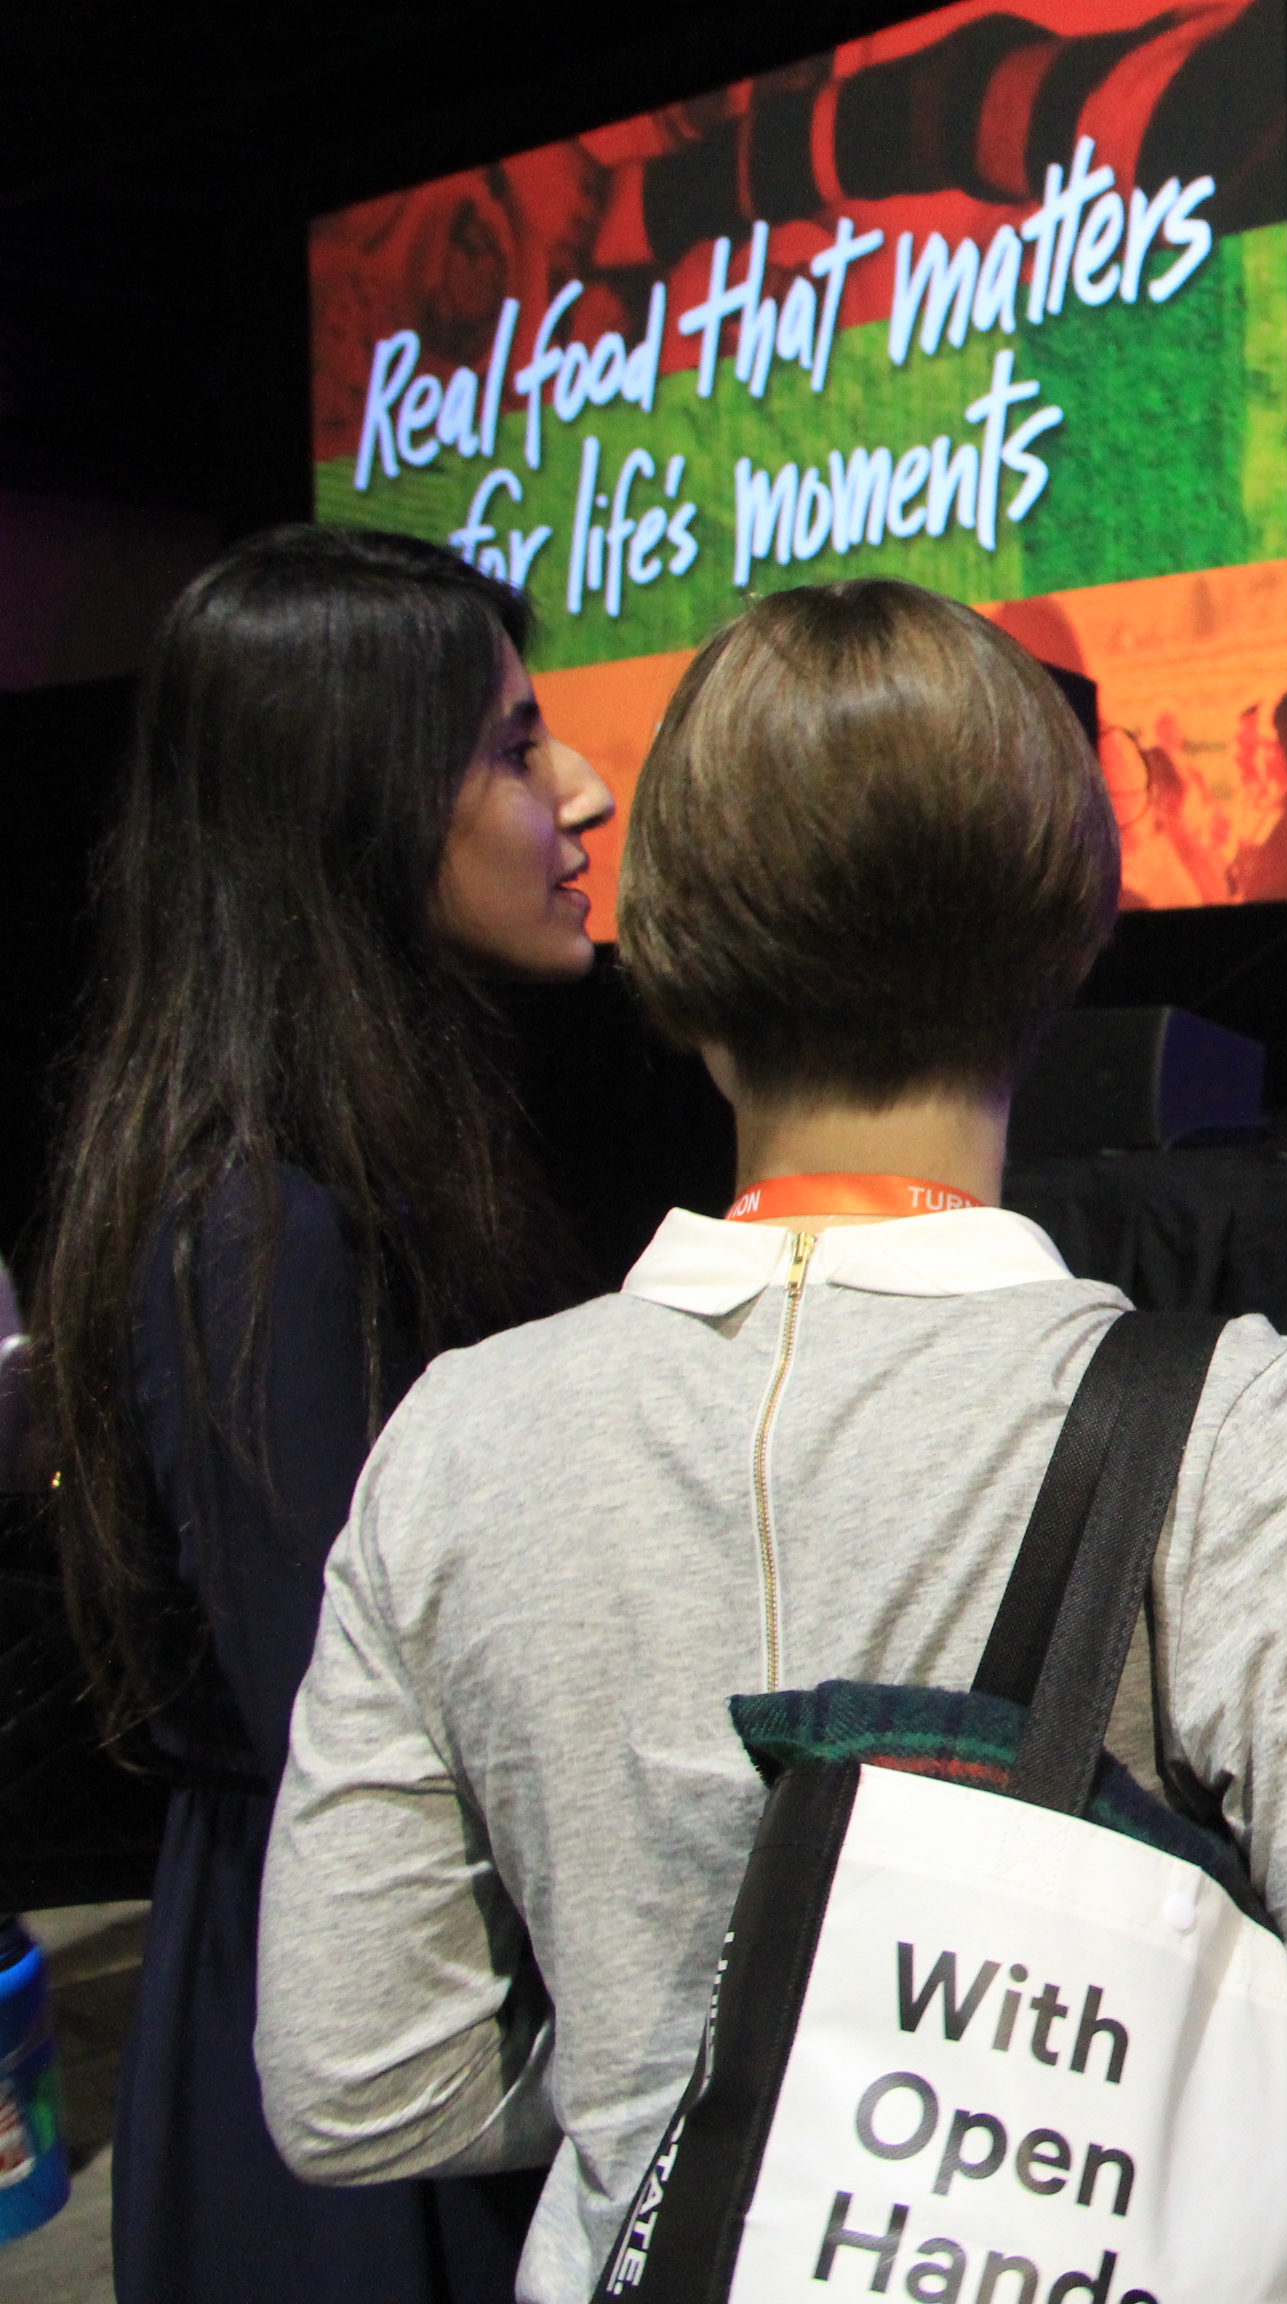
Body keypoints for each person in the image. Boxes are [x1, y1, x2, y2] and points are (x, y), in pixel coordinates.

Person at [253, 579, 1287, 2302]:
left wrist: (678, 2069)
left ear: (682, 952)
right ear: (1067, 928)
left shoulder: (456, 1440)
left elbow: (360, 2080)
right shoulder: (1238, 1423)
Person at [31, 526, 610, 2304]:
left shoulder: (366, 1157)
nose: (582, 790)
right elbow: (353, 1735)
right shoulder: (260, 1226)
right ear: (352, 802)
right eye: (514, 746)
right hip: (375, 2048)